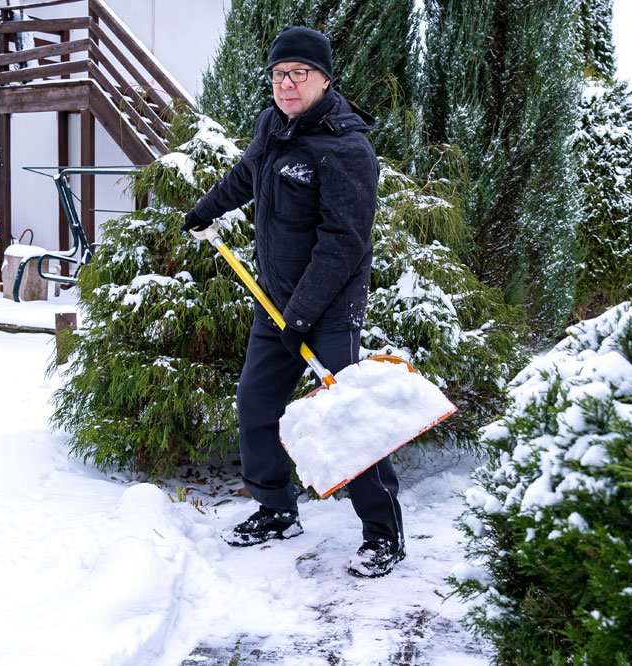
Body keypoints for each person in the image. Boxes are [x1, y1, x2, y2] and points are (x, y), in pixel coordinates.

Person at [182, 26, 404, 578]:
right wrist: (206, 210)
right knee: (257, 405)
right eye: (279, 74)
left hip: (329, 305)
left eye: (298, 74)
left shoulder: (347, 149)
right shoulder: (273, 126)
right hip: (275, 298)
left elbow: (343, 244)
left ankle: (383, 533)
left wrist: (302, 315)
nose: (286, 84)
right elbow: (247, 174)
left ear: (325, 79)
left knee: (346, 416)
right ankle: (277, 509)